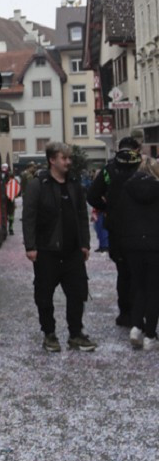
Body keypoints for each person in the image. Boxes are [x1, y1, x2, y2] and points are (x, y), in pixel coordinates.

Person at [22, 141, 96, 352]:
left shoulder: (74, 184)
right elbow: (29, 217)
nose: (68, 162)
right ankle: (49, 334)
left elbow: (82, 215)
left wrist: (84, 244)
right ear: (52, 160)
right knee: (44, 295)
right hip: (47, 251)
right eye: (64, 158)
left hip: (72, 251)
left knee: (77, 293)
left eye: (69, 158)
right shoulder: (38, 184)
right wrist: (31, 246)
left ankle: (75, 334)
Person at [86, 135, 142, 326]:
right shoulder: (142, 167)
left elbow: (92, 195)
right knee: (140, 271)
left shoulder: (109, 169)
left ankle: (124, 313)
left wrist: (107, 207)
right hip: (141, 229)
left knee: (123, 272)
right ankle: (138, 313)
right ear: (137, 149)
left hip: (117, 230)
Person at [117, 157, 159, 350]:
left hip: (132, 245)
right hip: (154, 244)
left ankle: (135, 327)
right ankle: (150, 335)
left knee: (139, 286)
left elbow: (121, 216)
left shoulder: (127, 188)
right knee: (153, 290)